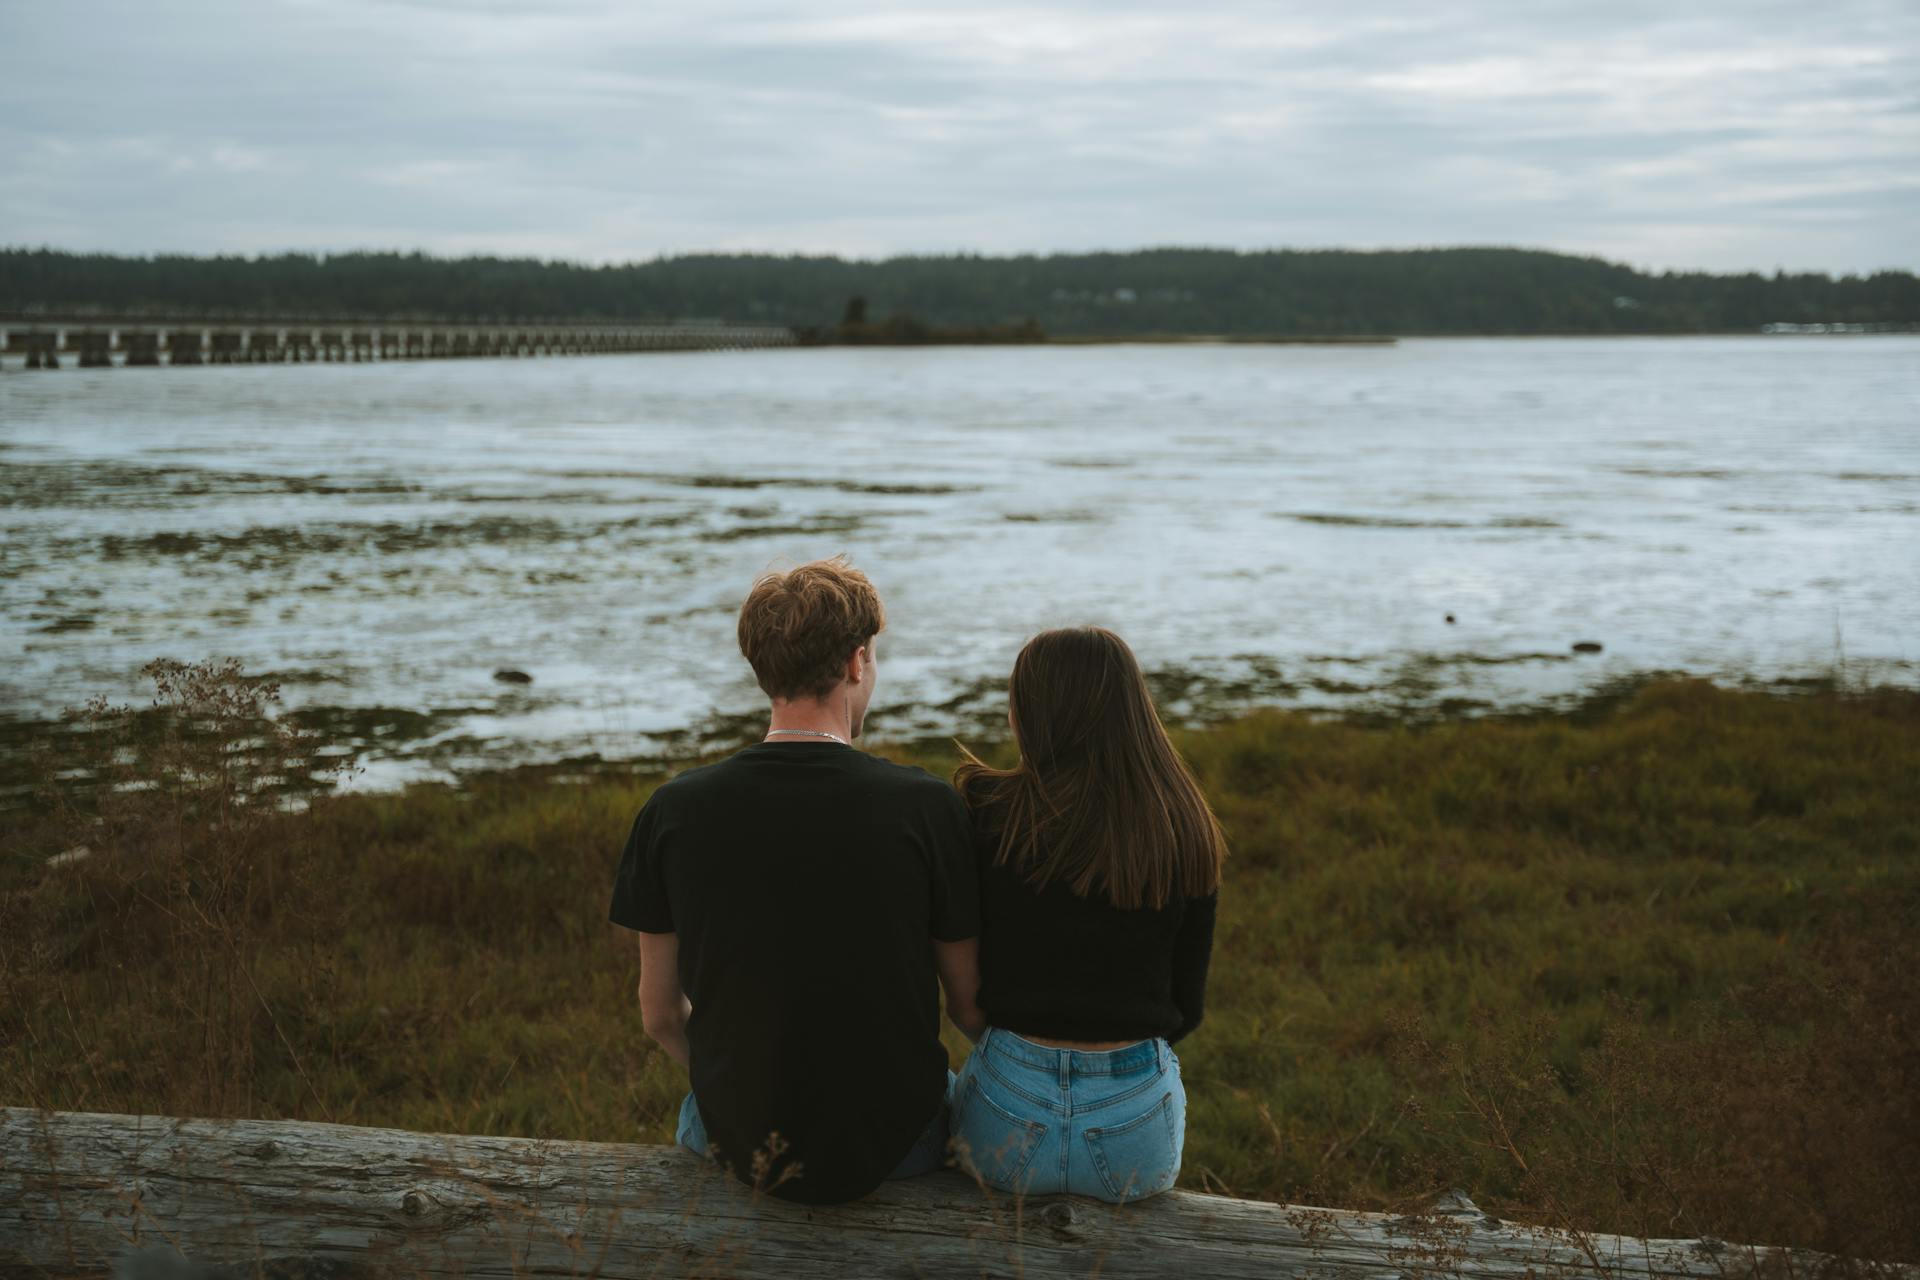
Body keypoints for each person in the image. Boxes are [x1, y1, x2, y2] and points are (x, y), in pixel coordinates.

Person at [607, 556, 987, 1205]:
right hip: (901, 1145)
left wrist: (735, 1091)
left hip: (735, 1140)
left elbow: (659, 1014)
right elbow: (968, 1006)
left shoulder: (674, 810)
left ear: (762, 670)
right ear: (856, 663)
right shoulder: (925, 807)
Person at [949, 626, 1226, 1203]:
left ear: (1030, 714)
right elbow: (1186, 1008)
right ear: (1133, 711)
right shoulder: (1183, 824)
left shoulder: (985, 812)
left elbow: (963, 989)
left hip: (1005, 1107)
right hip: (1135, 1128)